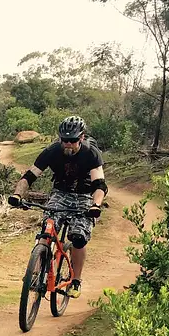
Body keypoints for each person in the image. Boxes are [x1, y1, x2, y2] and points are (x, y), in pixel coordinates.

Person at [12, 115, 108, 298]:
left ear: (81, 137)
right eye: (65, 140)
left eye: (72, 140)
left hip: (84, 196)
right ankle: (36, 273)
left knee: (78, 237)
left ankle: (76, 281)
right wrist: (17, 194)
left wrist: (96, 205)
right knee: (47, 229)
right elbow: (29, 176)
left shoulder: (91, 153)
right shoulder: (52, 151)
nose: (68, 145)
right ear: (60, 138)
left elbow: (99, 185)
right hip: (60, 193)